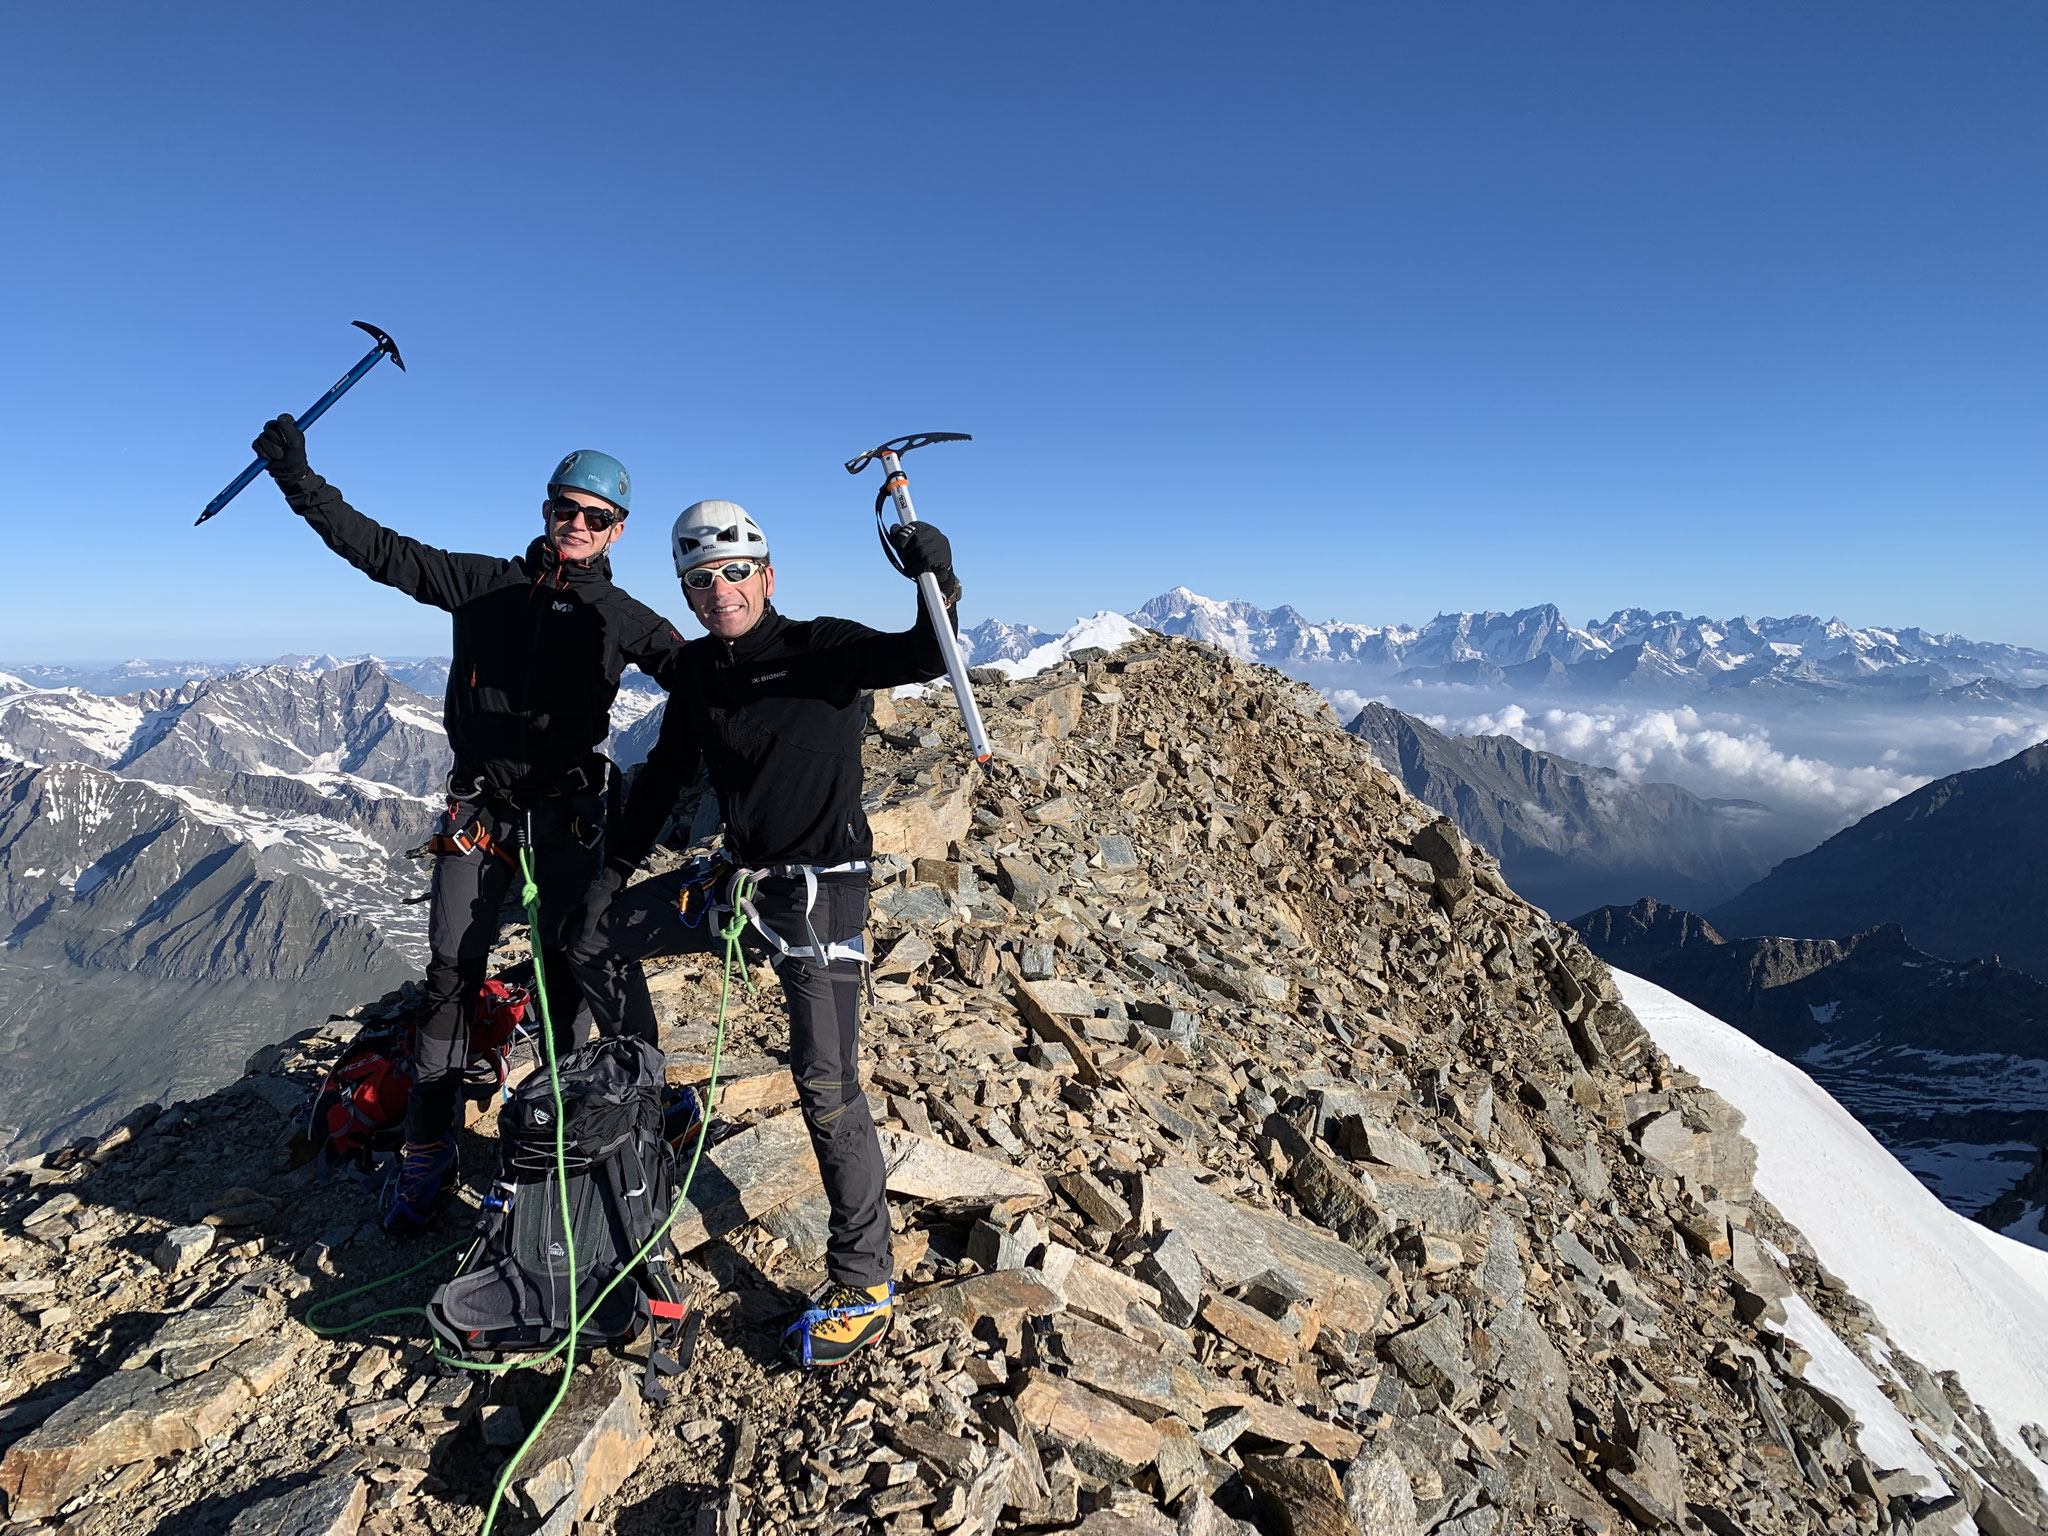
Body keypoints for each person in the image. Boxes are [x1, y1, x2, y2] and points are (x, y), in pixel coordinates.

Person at [250, 413, 687, 1234]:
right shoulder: (480, 583)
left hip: (566, 819)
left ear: (617, 530)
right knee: (450, 978)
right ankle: (429, 1151)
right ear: (547, 508)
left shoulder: (623, 618)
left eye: (596, 516)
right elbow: (378, 549)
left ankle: (572, 1142)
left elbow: (704, 677)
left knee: (566, 981)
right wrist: (299, 483)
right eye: (567, 508)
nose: (578, 525)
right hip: (478, 816)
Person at [567, 498, 958, 1366]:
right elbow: (665, 778)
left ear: (767, 575)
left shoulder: (823, 649)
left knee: (825, 1083)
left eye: (735, 572)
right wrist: (607, 883)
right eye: (700, 581)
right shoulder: (700, 674)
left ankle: (866, 1281)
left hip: (822, 897)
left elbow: (927, 653)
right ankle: (657, 1100)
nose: (720, 591)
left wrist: (938, 574)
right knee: (592, 939)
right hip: (738, 886)